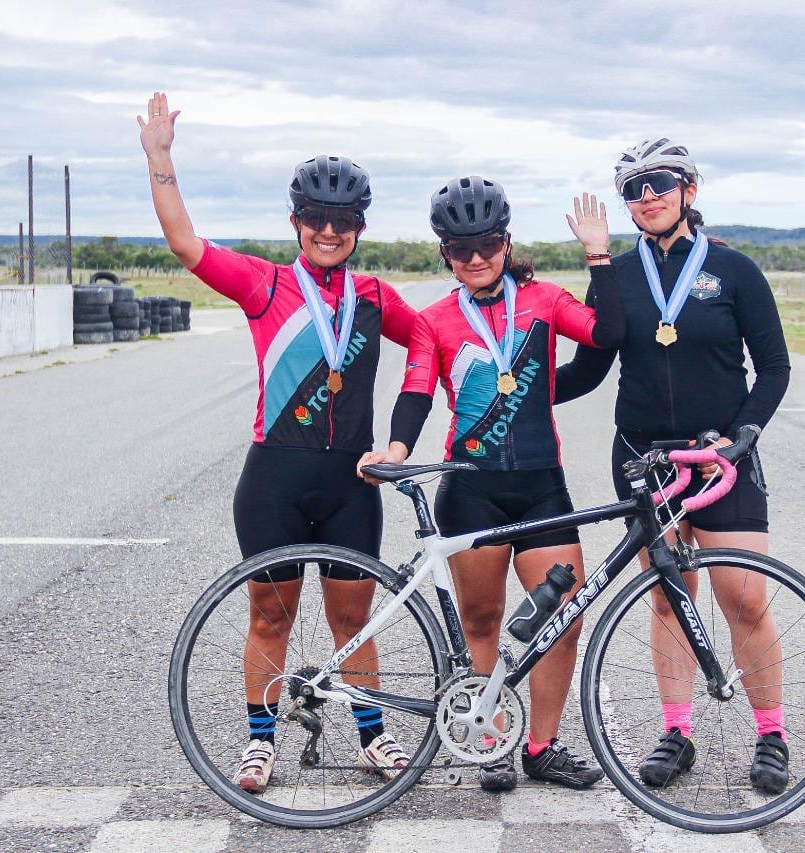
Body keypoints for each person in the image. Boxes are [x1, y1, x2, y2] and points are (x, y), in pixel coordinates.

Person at [138, 92, 418, 794]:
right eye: (316, 218)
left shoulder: (377, 296)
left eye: (342, 220)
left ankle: (373, 735)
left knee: (353, 617)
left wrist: (400, 439)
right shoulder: (265, 286)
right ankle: (259, 743)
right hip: (275, 478)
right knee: (270, 613)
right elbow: (184, 244)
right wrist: (160, 158)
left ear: (359, 226)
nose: (328, 230)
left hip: (353, 480)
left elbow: (429, 343)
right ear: (296, 221)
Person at [357, 176, 623, 791]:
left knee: (564, 618)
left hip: (541, 485)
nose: (475, 259)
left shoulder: (546, 300)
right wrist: (396, 448)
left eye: (487, 244)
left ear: (506, 242)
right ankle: (489, 739)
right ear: (444, 252)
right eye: (460, 248)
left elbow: (605, 337)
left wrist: (598, 258)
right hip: (470, 490)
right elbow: (418, 389)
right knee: (482, 621)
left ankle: (542, 746)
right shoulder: (434, 320)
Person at [553, 138, 793, 793]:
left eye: (658, 183)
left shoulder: (734, 270)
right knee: (668, 596)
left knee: (743, 597)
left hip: (718, 458)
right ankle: (677, 730)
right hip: (643, 459)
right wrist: (519, 390)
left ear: (689, 188)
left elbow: (774, 367)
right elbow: (590, 366)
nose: (647, 197)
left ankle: (771, 733)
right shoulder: (621, 278)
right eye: (633, 189)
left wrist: (741, 437)